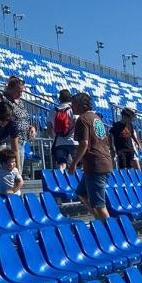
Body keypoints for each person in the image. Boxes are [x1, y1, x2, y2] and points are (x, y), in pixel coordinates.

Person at [67, 92, 112, 221]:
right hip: (102, 162)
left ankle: (111, 233)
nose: (71, 107)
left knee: (99, 205)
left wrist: (74, 163)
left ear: (80, 105)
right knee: (81, 194)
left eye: (73, 104)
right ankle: (99, 221)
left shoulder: (82, 119)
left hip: (95, 165)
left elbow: (84, 143)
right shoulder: (96, 118)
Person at [0, 76, 36, 170]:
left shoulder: (19, 102)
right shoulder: (1, 99)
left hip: (22, 140)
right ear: (10, 89)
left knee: (17, 171)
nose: (21, 94)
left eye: (22, 91)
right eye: (19, 91)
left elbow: (23, 119)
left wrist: (31, 127)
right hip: (9, 140)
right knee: (11, 170)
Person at [47, 89, 77, 170]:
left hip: (59, 142)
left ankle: (60, 179)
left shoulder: (53, 110)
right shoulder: (73, 109)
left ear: (60, 98)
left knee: (61, 163)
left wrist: (52, 137)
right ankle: (76, 181)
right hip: (73, 141)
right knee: (77, 163)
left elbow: (49, 127)